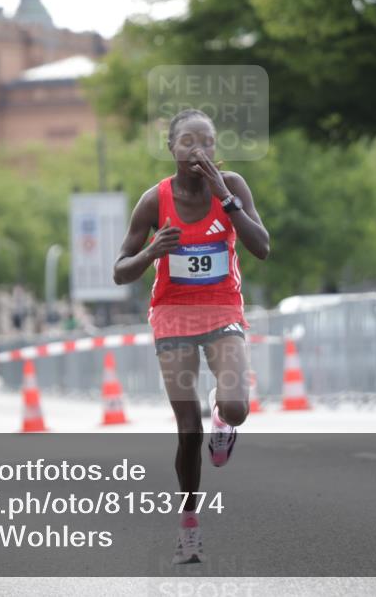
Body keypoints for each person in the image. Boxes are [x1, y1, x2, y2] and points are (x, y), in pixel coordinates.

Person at [113, 108, 270, 564]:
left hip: (223, 309)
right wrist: (151, 252)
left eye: (206, 142)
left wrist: (227, 198)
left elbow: (261, 247)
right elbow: (120, 271)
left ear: (216, 150)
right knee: (187, 431)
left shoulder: (233, 187)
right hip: (173, 315)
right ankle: (189, 525)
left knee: (236, 408)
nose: (197, 150)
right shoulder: (153, 200)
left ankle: (226, 427)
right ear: (171, 149)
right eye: (187, 142)